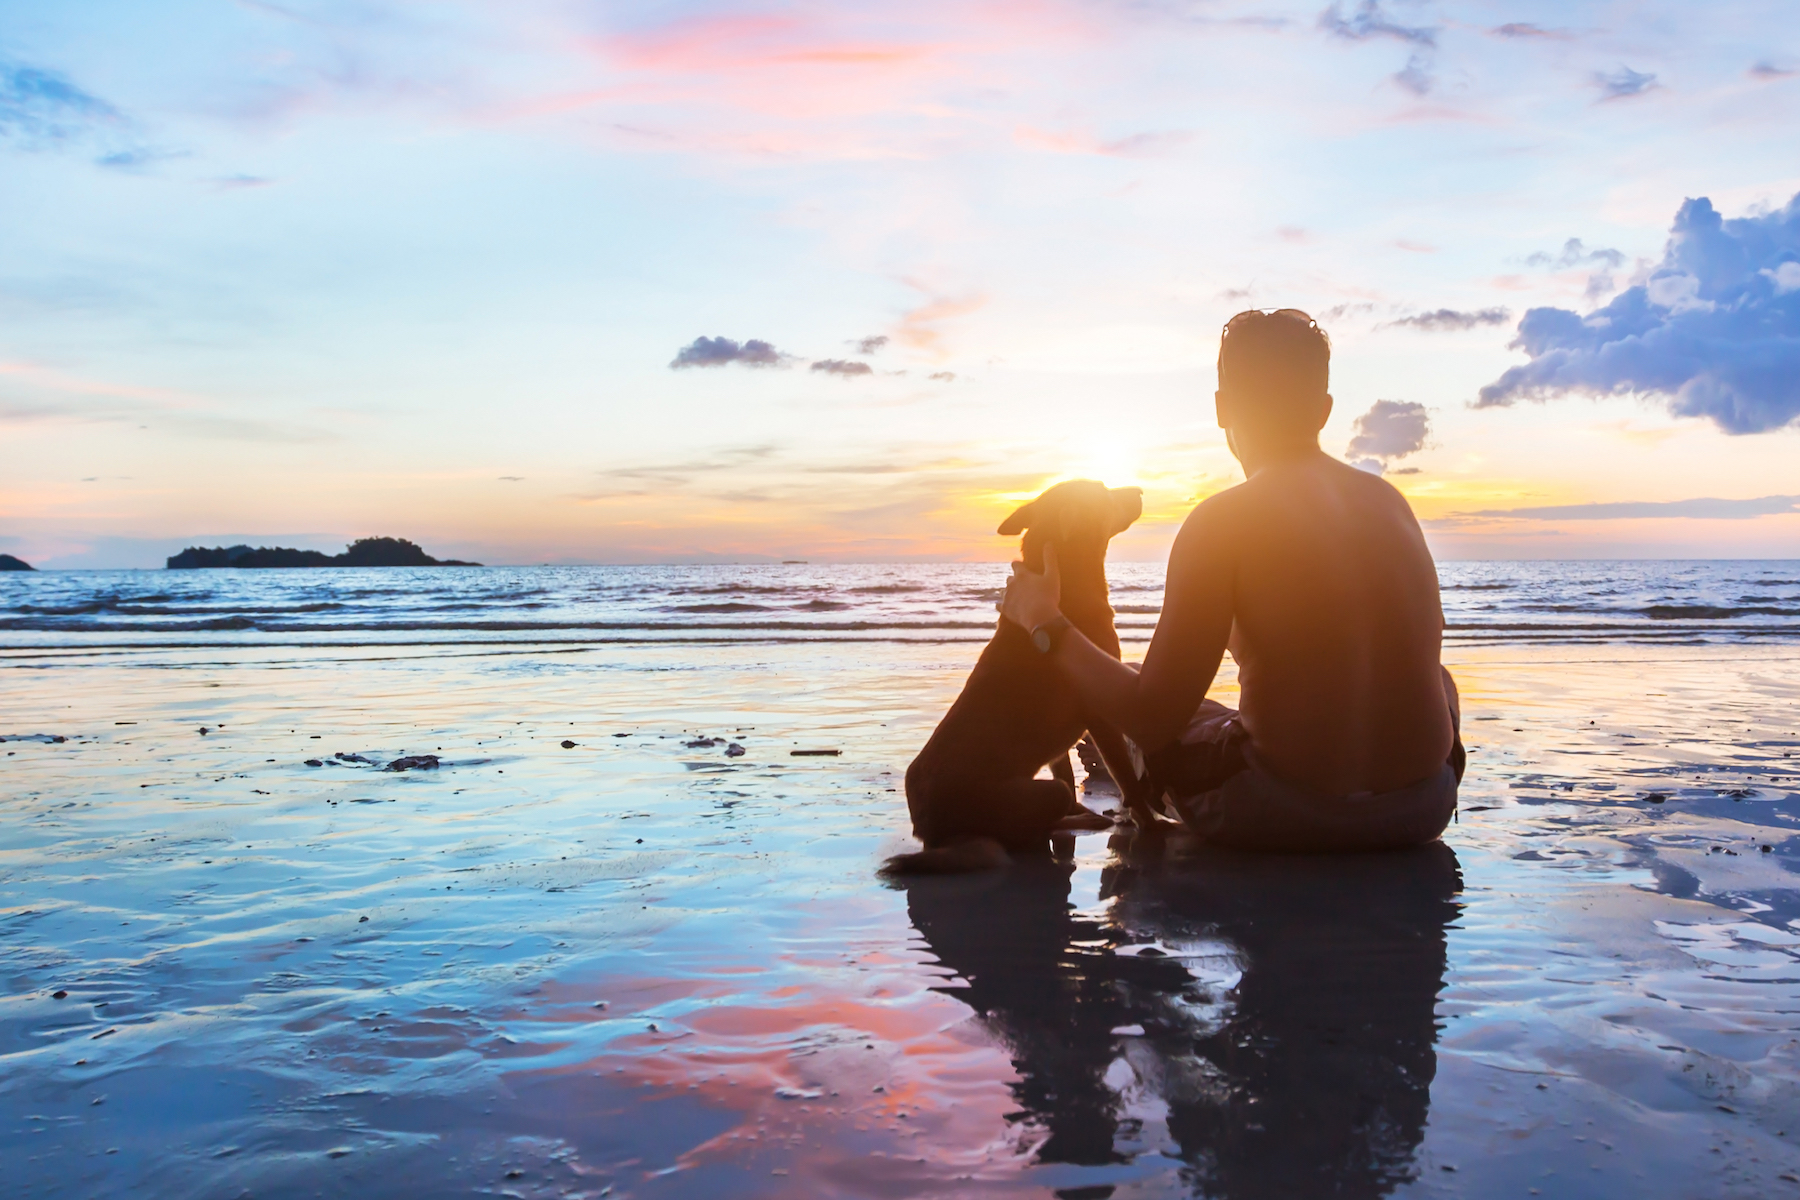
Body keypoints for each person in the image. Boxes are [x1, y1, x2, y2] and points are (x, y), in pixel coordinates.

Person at [1001, 308, 1464, 851]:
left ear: (1223, 410)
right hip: (1421, 805)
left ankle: (1118, 763)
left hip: (1280, 813)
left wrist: (1044, 621)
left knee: (1132, 698)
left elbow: (1153, 719)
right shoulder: (1391, 504)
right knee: (1441, 678)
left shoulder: (1220, 522)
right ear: (1323, 411)